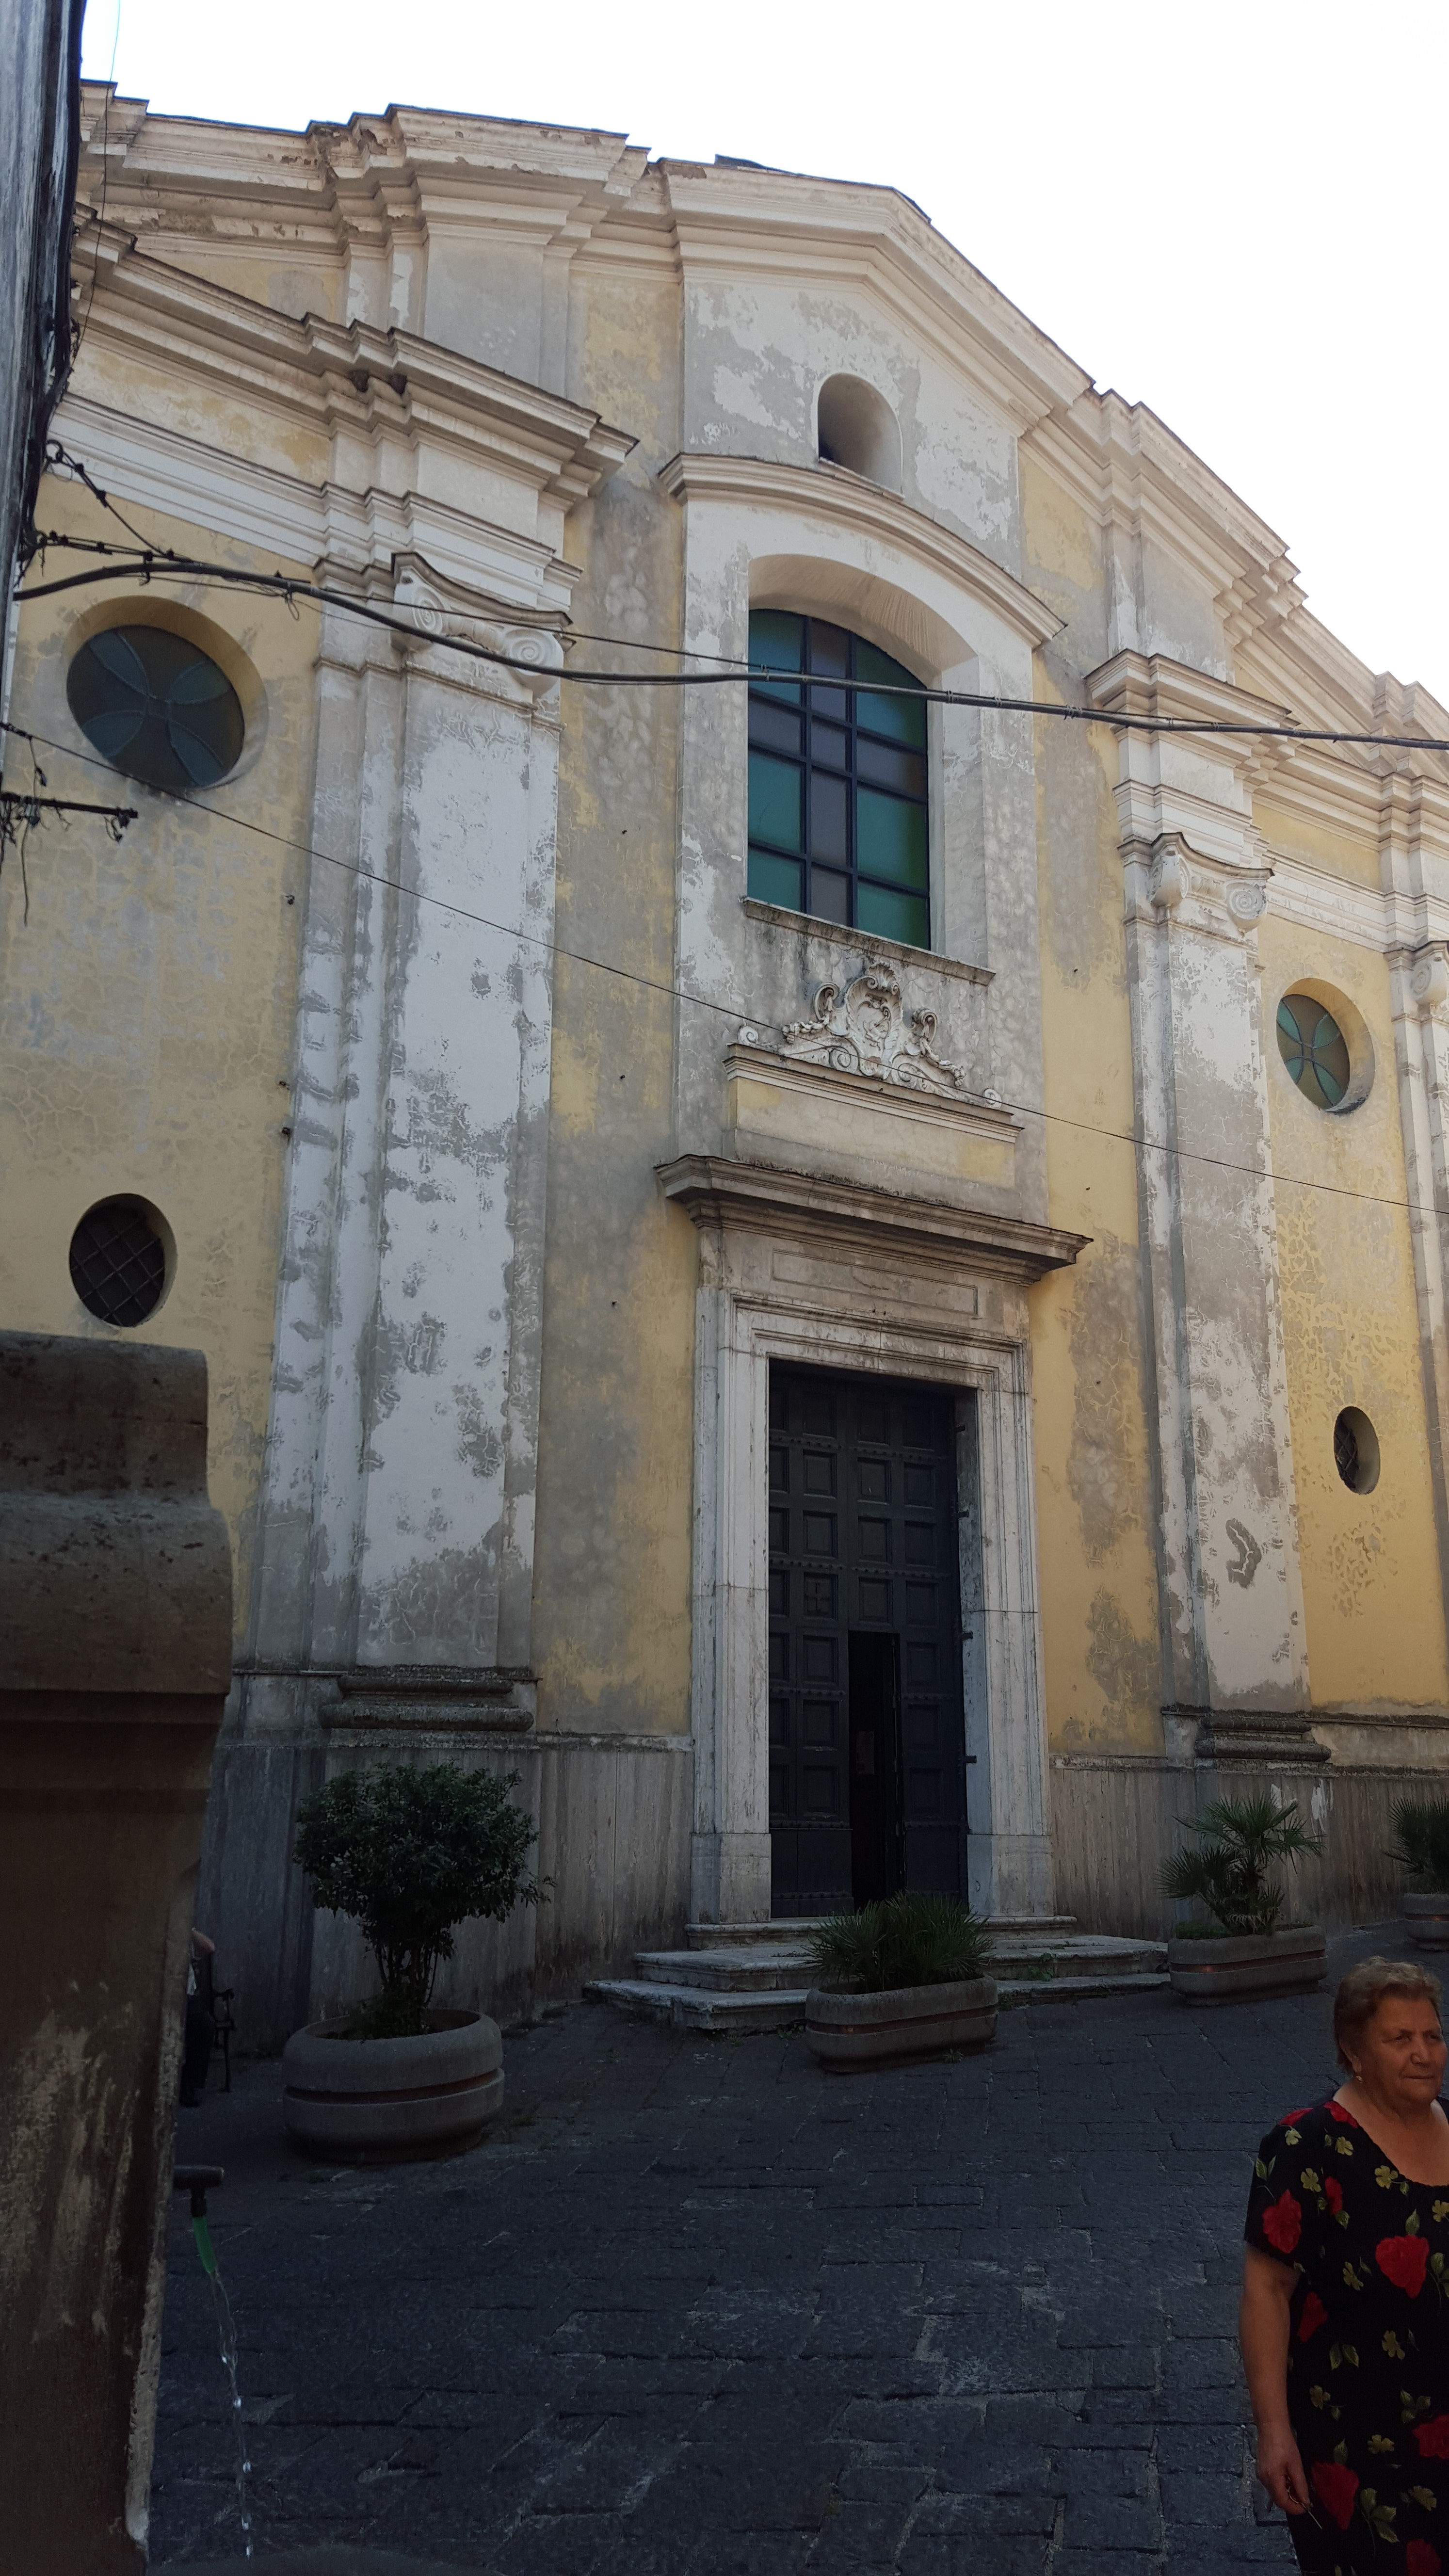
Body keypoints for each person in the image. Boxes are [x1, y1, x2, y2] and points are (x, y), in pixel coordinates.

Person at [1242, 1956, 1449, 2576]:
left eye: (1433, 2035)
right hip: (1354, 2448)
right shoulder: (1309, 2145)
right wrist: (1274, 2431)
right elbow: (1265, 2290)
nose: (1424, 2053)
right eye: (1400, 2038)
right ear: (1354, 2052)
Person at [180, 1927, 216, 2108]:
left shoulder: (186, 1937)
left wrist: (191, 1931)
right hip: (170, 1998)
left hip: (189, 1998)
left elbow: (209, 1947)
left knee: (206, 2025)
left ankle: (188, 2085)